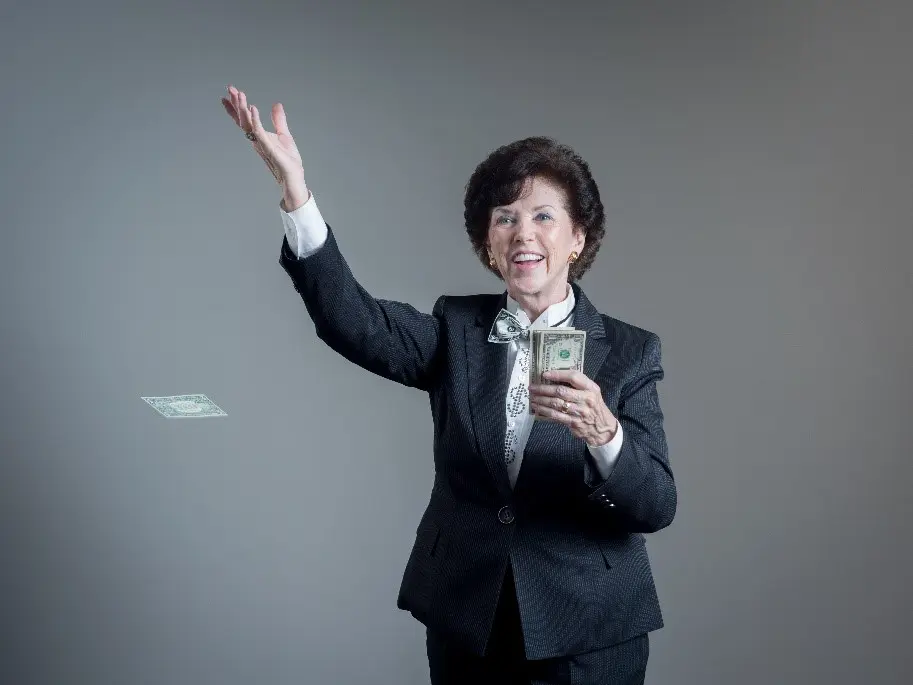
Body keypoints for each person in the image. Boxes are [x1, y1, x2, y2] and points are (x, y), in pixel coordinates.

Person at [221, 85, 676, 685]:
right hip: (469, 621)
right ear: (488, 244)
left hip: (586, 631)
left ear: (578, 238)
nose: (523, 233)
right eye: (505, 218)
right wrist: (296, 192)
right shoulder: (457, 329)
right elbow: (353, 322)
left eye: (543, 216)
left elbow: (655, 505)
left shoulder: (629, 349)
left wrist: (604, 433)